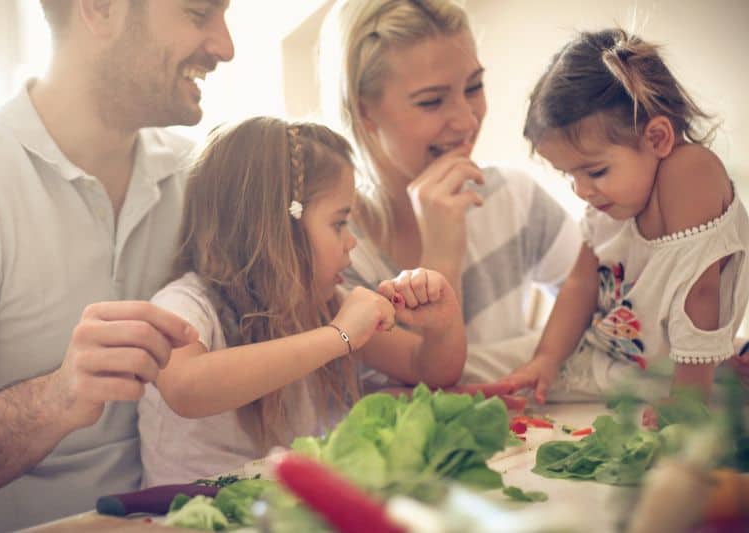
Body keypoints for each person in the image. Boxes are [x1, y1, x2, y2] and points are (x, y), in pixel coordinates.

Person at [0, 1, 233, 530]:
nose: (226, 46)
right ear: (100, 9)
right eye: (199, 13)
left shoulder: (199, 178)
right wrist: (56, 398)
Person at [138, 117, 467, 486]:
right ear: (277, 228)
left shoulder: (320, 304)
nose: (351, 242)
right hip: (185, 518)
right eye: (339, 223)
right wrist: (338, 335)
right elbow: (186, 388)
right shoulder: (185, 304)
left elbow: (431, 370)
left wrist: (442, 325)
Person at [317, 0, 582, 388]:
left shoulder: (516, 197)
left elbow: (616, 321)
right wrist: (442, 255)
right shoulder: (334, 251)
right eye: (431, 101)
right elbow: (430, 384)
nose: (467, 120)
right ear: (364, 111)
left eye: (474, 87)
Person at [493, 28, 749, 407]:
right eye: (570, 176)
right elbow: (580, 286)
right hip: (615, 362)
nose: (580, 190)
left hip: (678, 373)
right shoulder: (608, 207)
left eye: (594, 171)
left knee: (479, 375)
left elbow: (701, 292)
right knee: (490, 373)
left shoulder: (688, 170)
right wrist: (546, 358)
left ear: (658, 138)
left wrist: (687, 406)